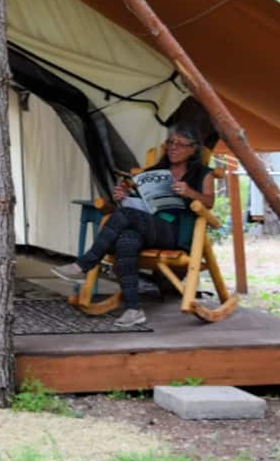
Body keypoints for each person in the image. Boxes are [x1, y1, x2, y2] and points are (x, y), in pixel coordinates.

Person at [52, 125, 215, 328]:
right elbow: (138, 204)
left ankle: (85, 263)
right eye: (171, 143)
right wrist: (124, 197)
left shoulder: (202, 174)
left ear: (193, 149)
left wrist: (190, 192)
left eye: (180, 145)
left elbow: (209, 202)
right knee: (126, 240)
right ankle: (133, 309)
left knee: (125, 216)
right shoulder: (154, 173)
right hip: (147, 225)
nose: (173, 148)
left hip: (175, 229)